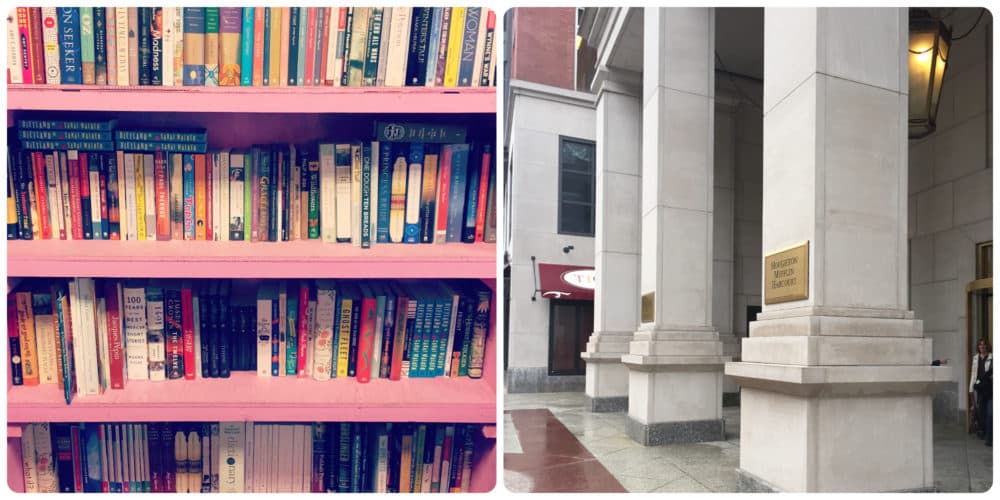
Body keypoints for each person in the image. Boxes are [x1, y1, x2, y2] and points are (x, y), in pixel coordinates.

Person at [969, 338, 993, 446]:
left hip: (991, 389)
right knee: (982, 413)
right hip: (980, 390)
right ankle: (984, 432)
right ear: (978, 347)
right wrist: (971, 389)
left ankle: (989, 437)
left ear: (987, 346)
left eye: (984, 345)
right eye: (980, 345)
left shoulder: (992, 357)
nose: (982, 347)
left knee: (990, 413)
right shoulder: (975, 358)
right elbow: (973, 375)